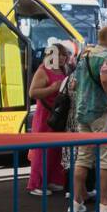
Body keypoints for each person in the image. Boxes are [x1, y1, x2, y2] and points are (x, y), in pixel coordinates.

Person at [66, 25, 107, 212]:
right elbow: (106, 80)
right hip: (101, 111)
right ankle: (105, 203)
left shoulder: (85, 55)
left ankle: (76, 201)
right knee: (106, 157)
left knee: (83, 157)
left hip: (83, 112)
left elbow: (73, 84)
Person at [27, 41, 70, 196]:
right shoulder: (43, 70)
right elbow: (33, 93)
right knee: (41, 150)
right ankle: (36, 183)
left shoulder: (63, 70)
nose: (64, 58)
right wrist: (52, 88)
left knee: (56, 149)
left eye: (65, 55)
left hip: (58, 114)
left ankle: (52, 179)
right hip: (46, 115)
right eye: (61, 55)